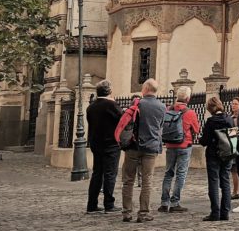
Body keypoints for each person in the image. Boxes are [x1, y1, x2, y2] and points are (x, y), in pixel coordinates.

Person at [117, 78, 166, 223]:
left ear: (144, 89)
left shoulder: (138, 104)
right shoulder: (162, 107)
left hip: (133, 146)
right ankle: (144, 213)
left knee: (128, 180)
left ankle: (126, 212)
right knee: (147, 181)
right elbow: (160, 127)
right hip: (151, 147)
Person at [159, 86, 200, 214]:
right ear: (188, 98)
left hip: (170, 145)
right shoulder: (190, 112)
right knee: (180, 174)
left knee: (168, 173)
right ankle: (175, 202)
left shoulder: (167, 110)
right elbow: (197, 130)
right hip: (184, 146)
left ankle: (164, 203)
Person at [86, 80, 123, 214]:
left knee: (97, 173)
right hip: (111, 143)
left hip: (96, 143)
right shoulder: (111, 105)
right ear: (109, 91)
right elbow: (123, 118)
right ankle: (109, 203)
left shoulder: (91, 107)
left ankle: (92, 204)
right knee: (110, 174)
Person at [198, 97, 235, 222]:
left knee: (213, 182)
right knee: (225, 181)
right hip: (227, 153)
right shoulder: (229, 119)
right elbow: (233, 136)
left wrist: (200, 139)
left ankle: (215, 212)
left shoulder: (211, 121)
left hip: (213, 154)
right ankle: (225, 212)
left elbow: (205, 141)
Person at [229, 97, 239, 199]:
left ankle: (237, 191)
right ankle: (237, 190)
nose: (233, 106)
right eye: (232, 104)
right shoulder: (230, 117)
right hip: (232, 144)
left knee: (238, 169)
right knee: (234, 169)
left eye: (236, 104)